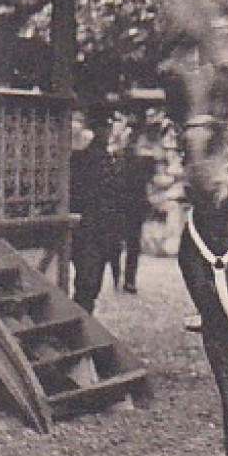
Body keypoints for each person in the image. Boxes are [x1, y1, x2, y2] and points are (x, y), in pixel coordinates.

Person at [70, 108, 125, 314]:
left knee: (91, 283)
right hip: (88, 227)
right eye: (107, 126)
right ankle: (80, 322)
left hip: (102, 228)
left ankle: (83, 319)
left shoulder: (109, 157)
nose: (109, 131)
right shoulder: (86, 157)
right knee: (87, 281)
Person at [120, 119, 157, 294]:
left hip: (127, 204)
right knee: (131, 244)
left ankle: (126, 278)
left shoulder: (122, 155)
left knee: (127, 244)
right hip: (132, 204)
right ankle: (128, 280)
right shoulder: (144, 159)